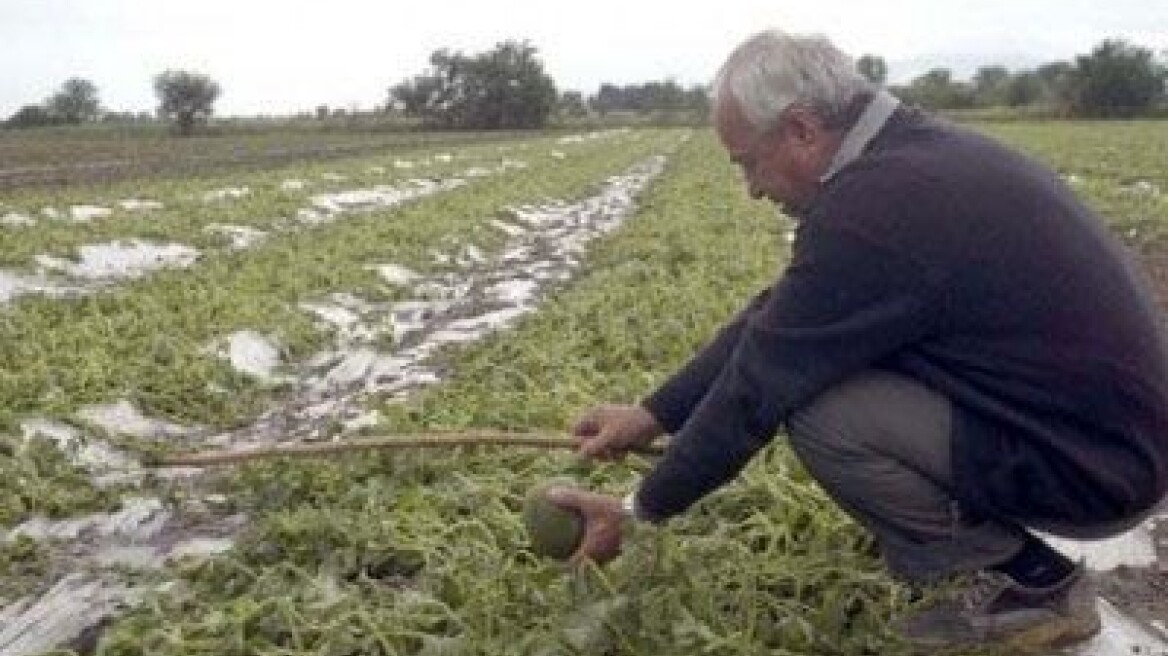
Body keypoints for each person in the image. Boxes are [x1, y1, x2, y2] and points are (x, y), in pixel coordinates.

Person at [545, 29, 1168, 651]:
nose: (752, 188)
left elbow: (757, 387)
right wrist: (652, 416)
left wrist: (637, 510)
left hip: (1098, 467)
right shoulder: (908, 162)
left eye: (747, 162)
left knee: (822, 412)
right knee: (829, 372)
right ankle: (976, 543)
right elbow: (778, 317)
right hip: (1105, 439)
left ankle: (1032, 585)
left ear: (802, 131)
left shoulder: (881, 206)